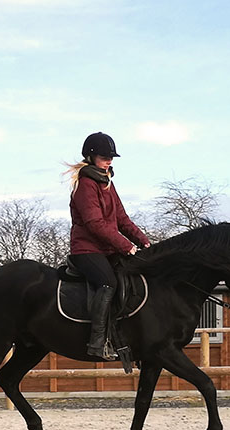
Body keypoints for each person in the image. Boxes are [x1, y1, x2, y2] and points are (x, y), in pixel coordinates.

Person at [66, 132, 150, 358]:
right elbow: (94, 223)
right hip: (87, 250)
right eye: (105, 156)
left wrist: (144, 242)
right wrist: (126, 246)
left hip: (107, 249)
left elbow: (122, 219)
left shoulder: (107, 183)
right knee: (108, 282)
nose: (109, 160)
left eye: (111, 156)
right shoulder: (86, 184)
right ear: (91, 156)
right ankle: (97, 343)